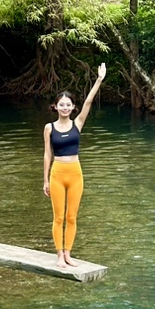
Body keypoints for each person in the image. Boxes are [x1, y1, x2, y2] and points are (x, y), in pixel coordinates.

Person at [43, 64, 106, 268]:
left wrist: (99, 80)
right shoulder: (49, 128)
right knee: (58, 216)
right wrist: (45, 180)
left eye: (68, 104)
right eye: (61, 104)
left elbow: (88, 102)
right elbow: (47, 154)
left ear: (72, 107)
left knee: (71, 217)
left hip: (75, 173)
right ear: (56, 107)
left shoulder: (77, 124)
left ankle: (69, 253)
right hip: (57, 174)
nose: (65, 107)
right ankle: (59, 255)